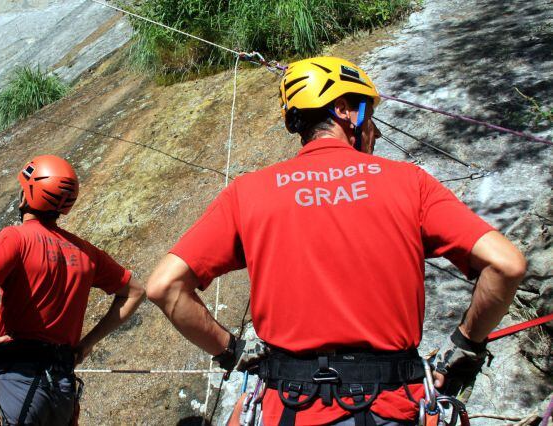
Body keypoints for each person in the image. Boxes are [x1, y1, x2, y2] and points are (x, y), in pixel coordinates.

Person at [146, 57, 526, 425]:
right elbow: (506, 265)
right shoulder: (408, 182)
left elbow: (165, 285)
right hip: (390, 407)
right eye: (369, 116)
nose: (374, 131)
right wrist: (465, 345)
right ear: (345, 110)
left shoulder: (247, 193)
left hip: (288, 409)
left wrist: (231, 351)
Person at [0, 154, 145, 425]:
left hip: (17, 383)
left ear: (27, 195)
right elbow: (135, 291)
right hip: (62, 391)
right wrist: (85, 344)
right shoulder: (85, 252)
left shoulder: (16, 237)